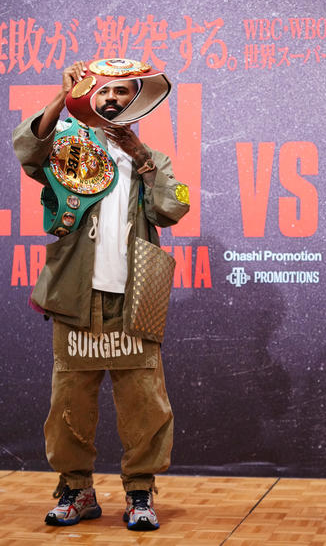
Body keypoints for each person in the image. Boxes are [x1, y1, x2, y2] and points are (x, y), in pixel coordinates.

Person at [12, 61, 190, 531]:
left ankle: (140, 492)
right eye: (104, 91)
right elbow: (27, 149)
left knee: (144, 402)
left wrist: (142, 157)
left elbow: (175, 206)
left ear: (136, 99)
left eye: (121, 92)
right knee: (69, 401)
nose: (111, 98)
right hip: (75, 296)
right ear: (90, 94)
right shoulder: (69, 144)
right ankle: (76, 489)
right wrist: (61, 97)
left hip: (135, 298)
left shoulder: (153, 158)